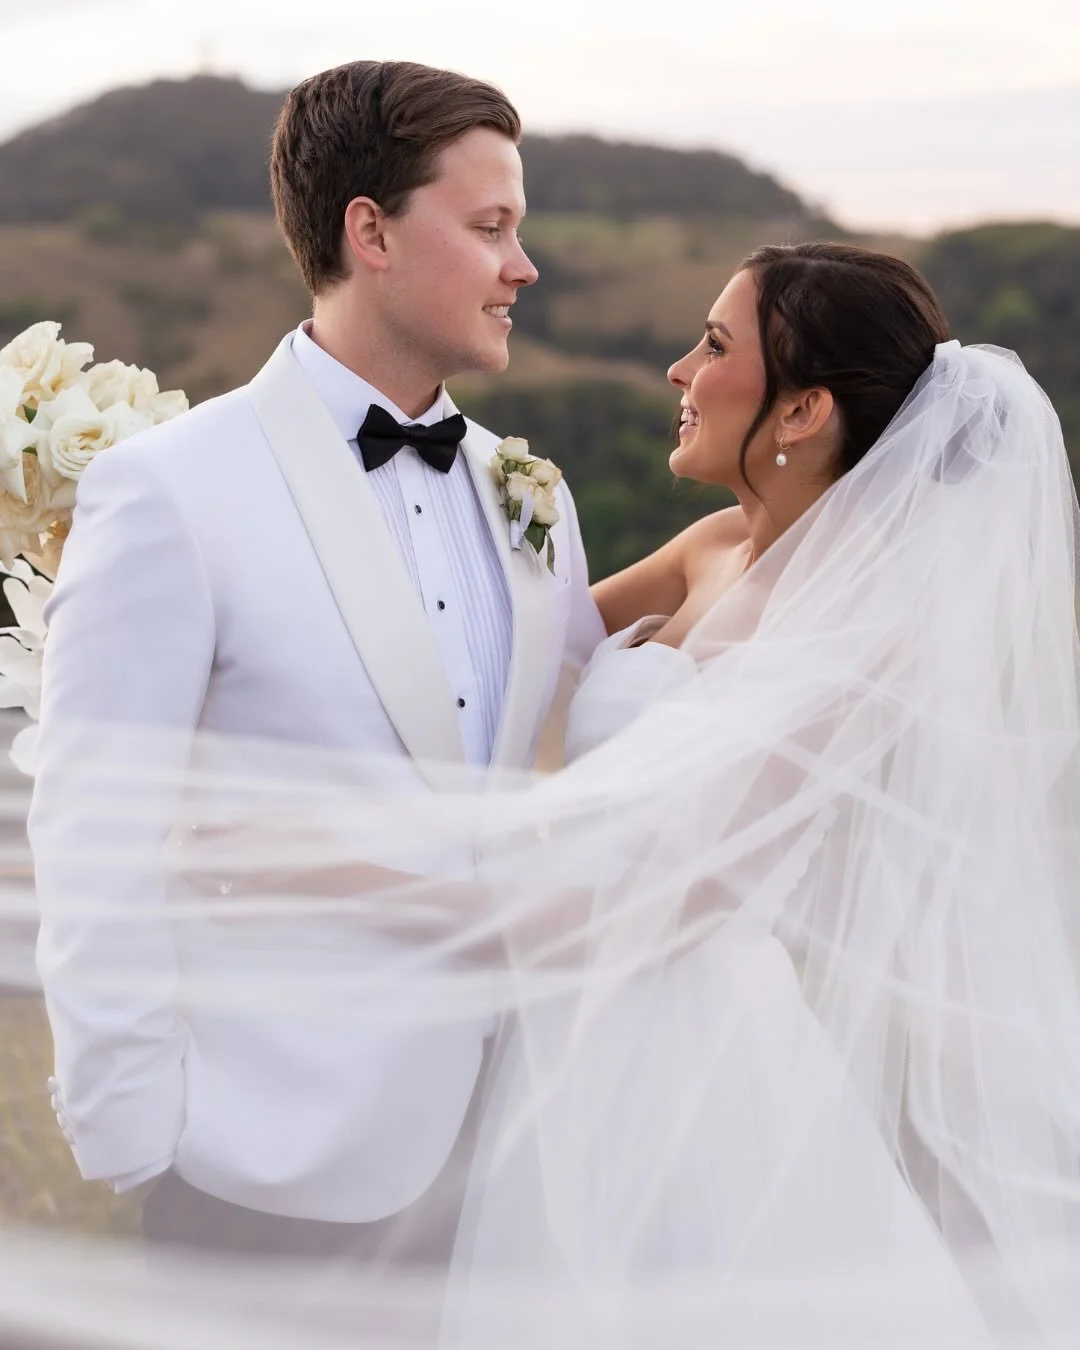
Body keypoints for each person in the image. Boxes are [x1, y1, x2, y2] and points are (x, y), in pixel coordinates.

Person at [27, 59, 602, 1264]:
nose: (523, 266)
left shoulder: (526, 494)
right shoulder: (169, 491)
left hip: (506, 1160)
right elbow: (95, 829)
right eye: (491, 226)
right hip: (262, 1165)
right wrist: (141, 1134)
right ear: (370, 231)